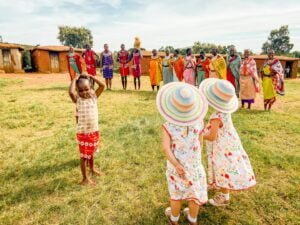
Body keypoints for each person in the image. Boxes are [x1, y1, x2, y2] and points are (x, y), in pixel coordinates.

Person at [157, 82, 208, 225]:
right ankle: (192, 219)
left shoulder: (168, 126)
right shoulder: (200, 123)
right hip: (195, 165)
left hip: (176, 167)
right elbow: (201, 143)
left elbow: (166, 148)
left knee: (176, 195)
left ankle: (174, 220)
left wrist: (177, 164)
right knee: (194, 194)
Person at [200, 78, 256, 206]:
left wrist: (201, 132)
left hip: (222, 148)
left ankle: (224, 196)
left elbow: (212, 136)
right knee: (226, 167)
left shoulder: (216, 117)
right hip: (230, 143)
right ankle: (217, 185)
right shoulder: (225, 112)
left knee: (223, 168)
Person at [69, 74, 105, 185]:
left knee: (91, 152)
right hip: (84, 133)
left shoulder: (94, 96)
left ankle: (92, 169)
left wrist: (91, 77)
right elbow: (71, 92)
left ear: (91, 88)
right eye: (80, 90)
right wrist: (75, 79)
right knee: (84, 156)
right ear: (77, 90)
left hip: (94, 130)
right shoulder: (78, 99)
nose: (84, 92)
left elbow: (102, 85)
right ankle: (85, 178)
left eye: (87, 89)